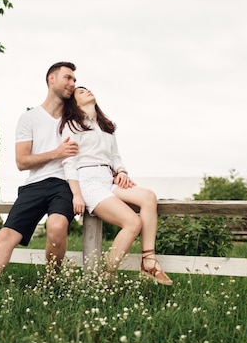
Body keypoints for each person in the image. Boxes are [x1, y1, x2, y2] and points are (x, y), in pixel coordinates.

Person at [0, 62, 78, 296]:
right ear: (52, 79)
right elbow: (22, 161)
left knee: (57, 226)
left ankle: (51, 283)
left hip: (63, 184)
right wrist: (56, 153)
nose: (72, 84)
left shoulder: (75, 119)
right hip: (34, 185)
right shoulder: (29, 118)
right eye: (68, 78)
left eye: (74, 80)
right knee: (6, 234)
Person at [60, 86, 172, 286]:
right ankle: (107, 276)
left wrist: (121, 172)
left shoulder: (106, 126)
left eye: (87, 89)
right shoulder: (72, 125)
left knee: (149, 197)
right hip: (87, 180)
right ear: (74, 103)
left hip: (108, 178)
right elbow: (68, 162)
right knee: (132, 223)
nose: (87, 91)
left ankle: (148, 259)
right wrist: (76, 194)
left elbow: (115, 157)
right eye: (80, 92)